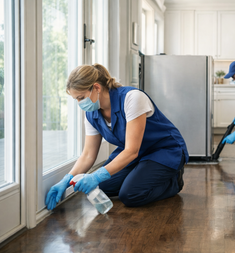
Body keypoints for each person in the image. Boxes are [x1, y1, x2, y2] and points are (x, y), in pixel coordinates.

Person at [45, 64, 188, 210]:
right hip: (135, 154)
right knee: (103, 186)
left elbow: (132, 150)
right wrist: (67, 180)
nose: (79, 104)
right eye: (76, 99)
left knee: (130, 194)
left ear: (96, 88)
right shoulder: (91, 114)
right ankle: (141, 174)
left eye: (81, 98)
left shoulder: (132, 98)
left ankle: (173, 181)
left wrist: (96, 176)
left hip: (163, 150)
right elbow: (88, 155)